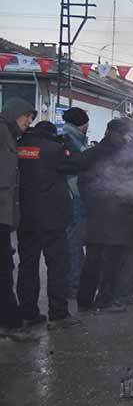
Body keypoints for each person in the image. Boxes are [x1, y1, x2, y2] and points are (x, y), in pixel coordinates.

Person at [16, 121, 82, 327]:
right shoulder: (54, 149)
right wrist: (66, 145)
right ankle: (58, 312)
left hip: (25, 217)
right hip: (52, 218)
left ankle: (28, 312)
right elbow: (76, 164)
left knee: (27, 265)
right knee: (57, 265)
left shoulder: (19, 146)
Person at [77, 118, 133, 313]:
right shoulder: (116, 157)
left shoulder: (93, 153)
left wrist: (90, 203)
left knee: (94, 260)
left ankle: (85, 301)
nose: (127, 139)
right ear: (112, 134)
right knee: (109, 262)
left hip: (101, 216)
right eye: (124, 135)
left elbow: (81, 183)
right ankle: (103, 301)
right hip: (114, 217)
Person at [0, 98, 36, 330]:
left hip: (4, 216)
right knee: (3, 270)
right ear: (15, 114)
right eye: (27, 116)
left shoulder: (11, 136)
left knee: (5, 268)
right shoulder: (2, 133)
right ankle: (10, 323)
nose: (30, 121)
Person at [61, 107, 90, 299]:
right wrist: (82, 195)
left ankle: (75, 281)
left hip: (72, 199)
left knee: (74, 242)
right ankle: (74, 284)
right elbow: (71, 174)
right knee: (74, 242)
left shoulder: (71, 139)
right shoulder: (70, 142)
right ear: (82, 124)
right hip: (75, 200)